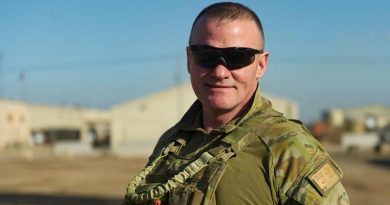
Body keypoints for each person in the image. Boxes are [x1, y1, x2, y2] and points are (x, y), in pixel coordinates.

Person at [122, 2, 350, 205]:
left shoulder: (289, 150)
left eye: (238, 56)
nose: (220, 72)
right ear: (189, 60)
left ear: (261, 65)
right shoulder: (172, 143)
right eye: (206, 55)